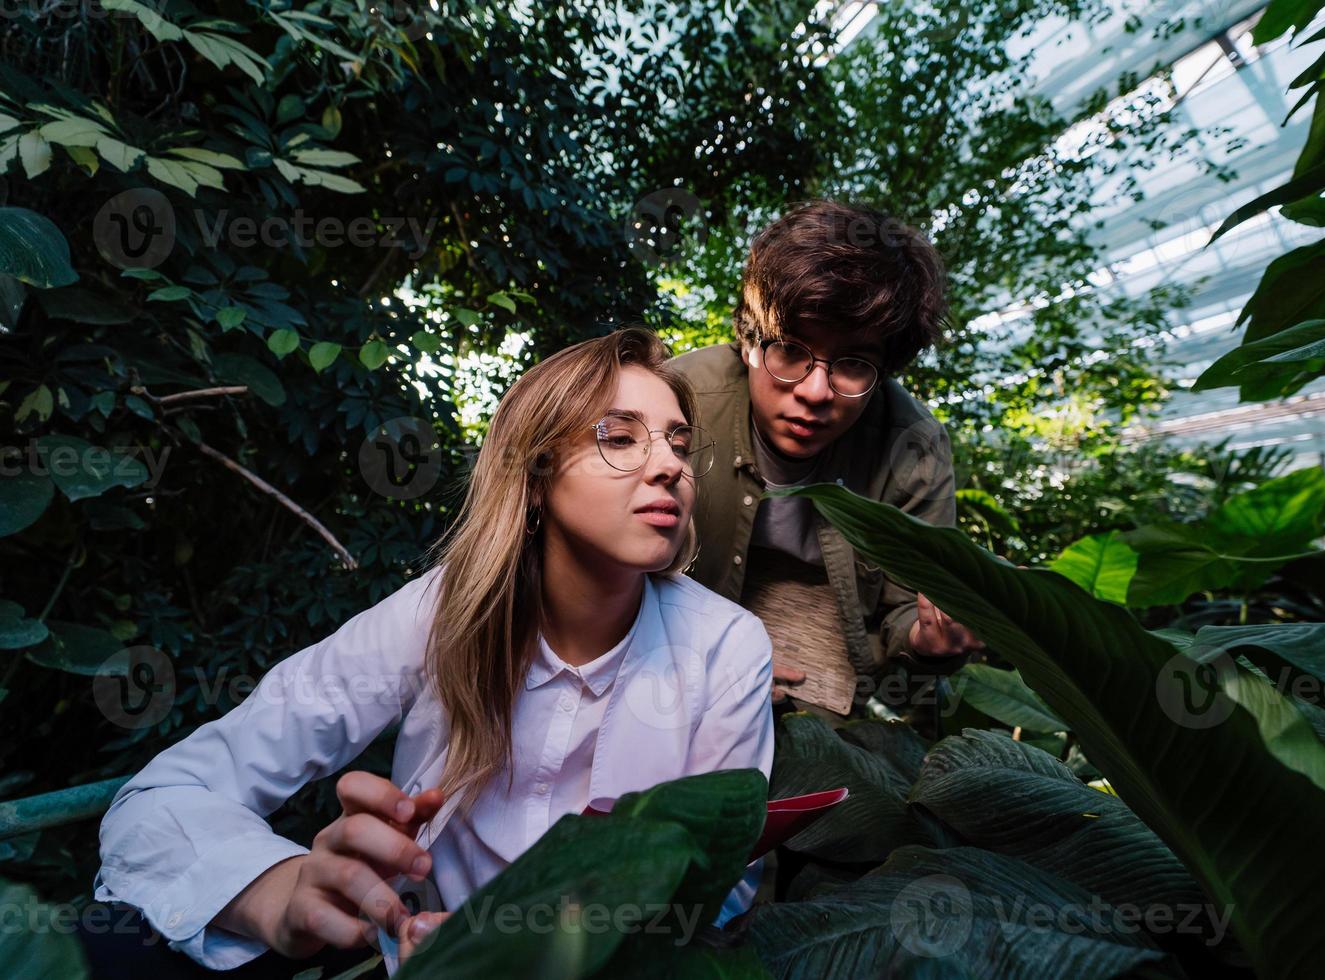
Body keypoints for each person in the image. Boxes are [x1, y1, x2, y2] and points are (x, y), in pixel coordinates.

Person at [91, 327, 775, 974]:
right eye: (620, 438)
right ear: (535, 476)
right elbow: (159, 799)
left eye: (681, 444)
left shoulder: (727, 647)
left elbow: (722, 886)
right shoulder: (437, 613)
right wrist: (281, 889)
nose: (670, 468)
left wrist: (537, 946)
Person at [670, 200, 983, 719]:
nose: (816, 392)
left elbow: (906, 610)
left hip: (830, 665)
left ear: (885, 371)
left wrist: (930, 640)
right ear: (748, 341)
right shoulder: (679, 401)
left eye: (853, 364)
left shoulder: (914, 447)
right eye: (791, 350)